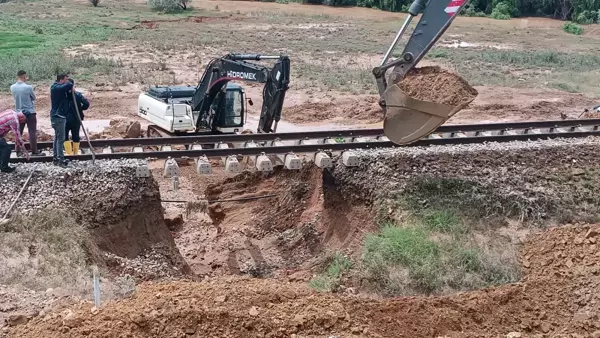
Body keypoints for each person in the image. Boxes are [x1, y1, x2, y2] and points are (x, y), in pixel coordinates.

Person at [10, 70, 42, 157]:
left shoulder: (12, 87)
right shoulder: (28, 87)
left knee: (18, 132)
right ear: (24, 76)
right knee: (32, 132)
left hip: (18, 112)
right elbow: (34, 97)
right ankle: (34, 151)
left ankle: (17, 151)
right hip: (30, 112)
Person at [50, 74, 73, 167]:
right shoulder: (55, 88)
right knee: (60, 139)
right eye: (65, 79)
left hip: (57, 116)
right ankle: (60, 159)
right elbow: (69, 85)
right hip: (58, 117)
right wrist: (71, 82)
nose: (67, 81)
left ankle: (56, 158)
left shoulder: (57, 88)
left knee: (57, 138)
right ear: (61, 80)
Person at [64, 79, 89, 155]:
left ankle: (69, 153)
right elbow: (86, 104)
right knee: (76, 136)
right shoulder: (77, 95)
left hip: (65, 119)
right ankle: (75, 153)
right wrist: (80, 109)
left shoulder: (63, 95)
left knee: (65, 136)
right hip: (76, 118)